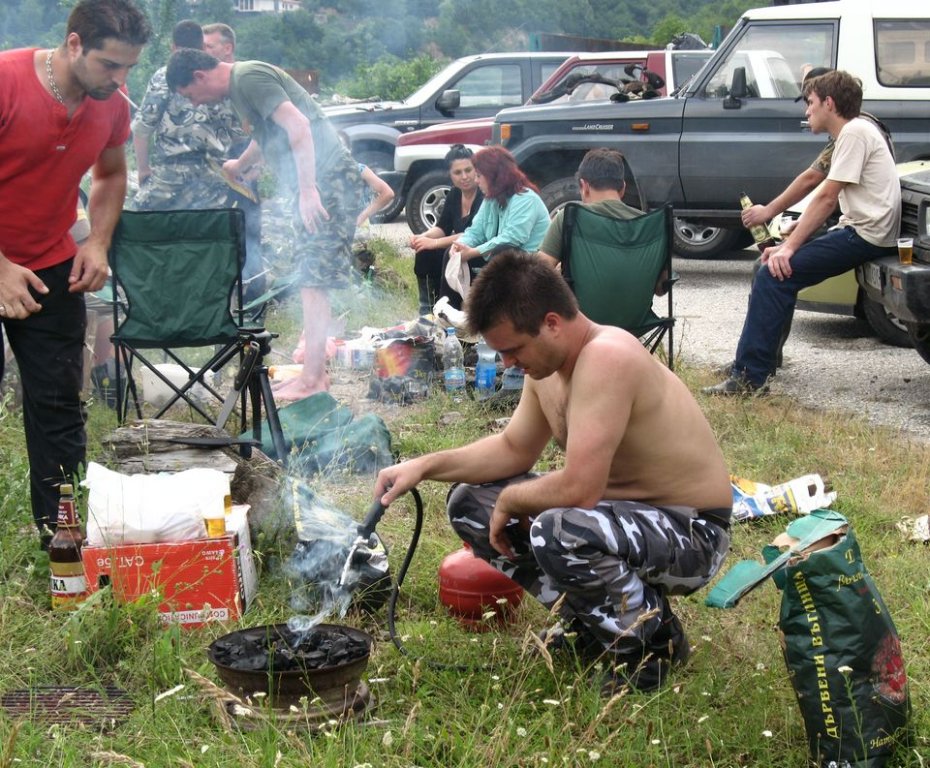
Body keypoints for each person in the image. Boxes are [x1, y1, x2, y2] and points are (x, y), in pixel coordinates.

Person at [375, 249, 732, 694]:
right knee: (470, 503)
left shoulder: (607, 356)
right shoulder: (546, 368)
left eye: (513, 350)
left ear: (551, 323)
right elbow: (513, 449)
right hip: (623, 521)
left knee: (559, 529)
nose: (507, 364)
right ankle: (592, 622)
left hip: (692, 533)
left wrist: (513, 499)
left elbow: (581, 489)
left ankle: (649, 644)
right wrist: (423, 466)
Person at [0, 0, 151, 547]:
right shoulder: (6, 80)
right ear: (73, 44)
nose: (121, 80)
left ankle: (61, 536)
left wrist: (98, 242)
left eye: (130, 67)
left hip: (49, 263)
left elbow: (109, 174)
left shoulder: (110, 103)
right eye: (110, 65)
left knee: (59, 404)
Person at [166, 48, 365, 401]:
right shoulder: (241, 88)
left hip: (328, 180)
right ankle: (313, 374)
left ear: (199, 76)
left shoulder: (248, 77)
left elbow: (298, 125)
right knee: (311, 276)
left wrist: (308, 189)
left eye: (190, 95)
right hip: (322, 182)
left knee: (313, 278)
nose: (195, 103)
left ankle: (313, 379)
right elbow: (268, 135)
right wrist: (239, 164)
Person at [705, 70, 900, 395]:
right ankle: (755, 364)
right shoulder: (853, 132)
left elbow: (825, 196)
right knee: (768, 267)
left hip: (865, 235)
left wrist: (789, 247)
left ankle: (749, 378)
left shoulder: (854, 132)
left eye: (810, 103)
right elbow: (840, 196)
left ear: (829, 103)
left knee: (774, 274)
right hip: (859, 229)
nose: (807, 111)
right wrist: (798, 231)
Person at [443, 146, 550, 310]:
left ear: (493, 176)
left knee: (503, 252)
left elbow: (513, 237)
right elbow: (476, 230)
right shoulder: (491, 199)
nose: (476, 181)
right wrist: (461, 244)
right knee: (451, 254)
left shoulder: (525, 198)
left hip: (530, 263)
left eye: (479, 175)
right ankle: (449, 312)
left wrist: (473, 252)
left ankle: (490, 315)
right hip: (499, 257)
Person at [409, 145, 484, 315]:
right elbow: (442, 227)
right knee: (424, 251)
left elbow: (473, 234)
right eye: (457, 172)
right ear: (450, 175)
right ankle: (428, 308)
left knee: (447, 251)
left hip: (479, 251)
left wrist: (434, 242)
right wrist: (422, 237)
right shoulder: (454, 194)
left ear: (476, 170)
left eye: (468, 170)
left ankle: (450, 308)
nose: (464, 177)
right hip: (459, 247)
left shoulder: (483, 195)